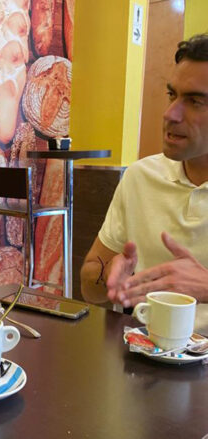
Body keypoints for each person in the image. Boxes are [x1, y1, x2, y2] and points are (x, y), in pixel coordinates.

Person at [81, 33, 208, 312]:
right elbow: (89, 287)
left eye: (195, 101)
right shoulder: (140, 177)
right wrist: (111, 279)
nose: (170, 114)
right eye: (172, 95)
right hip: (135, 345)